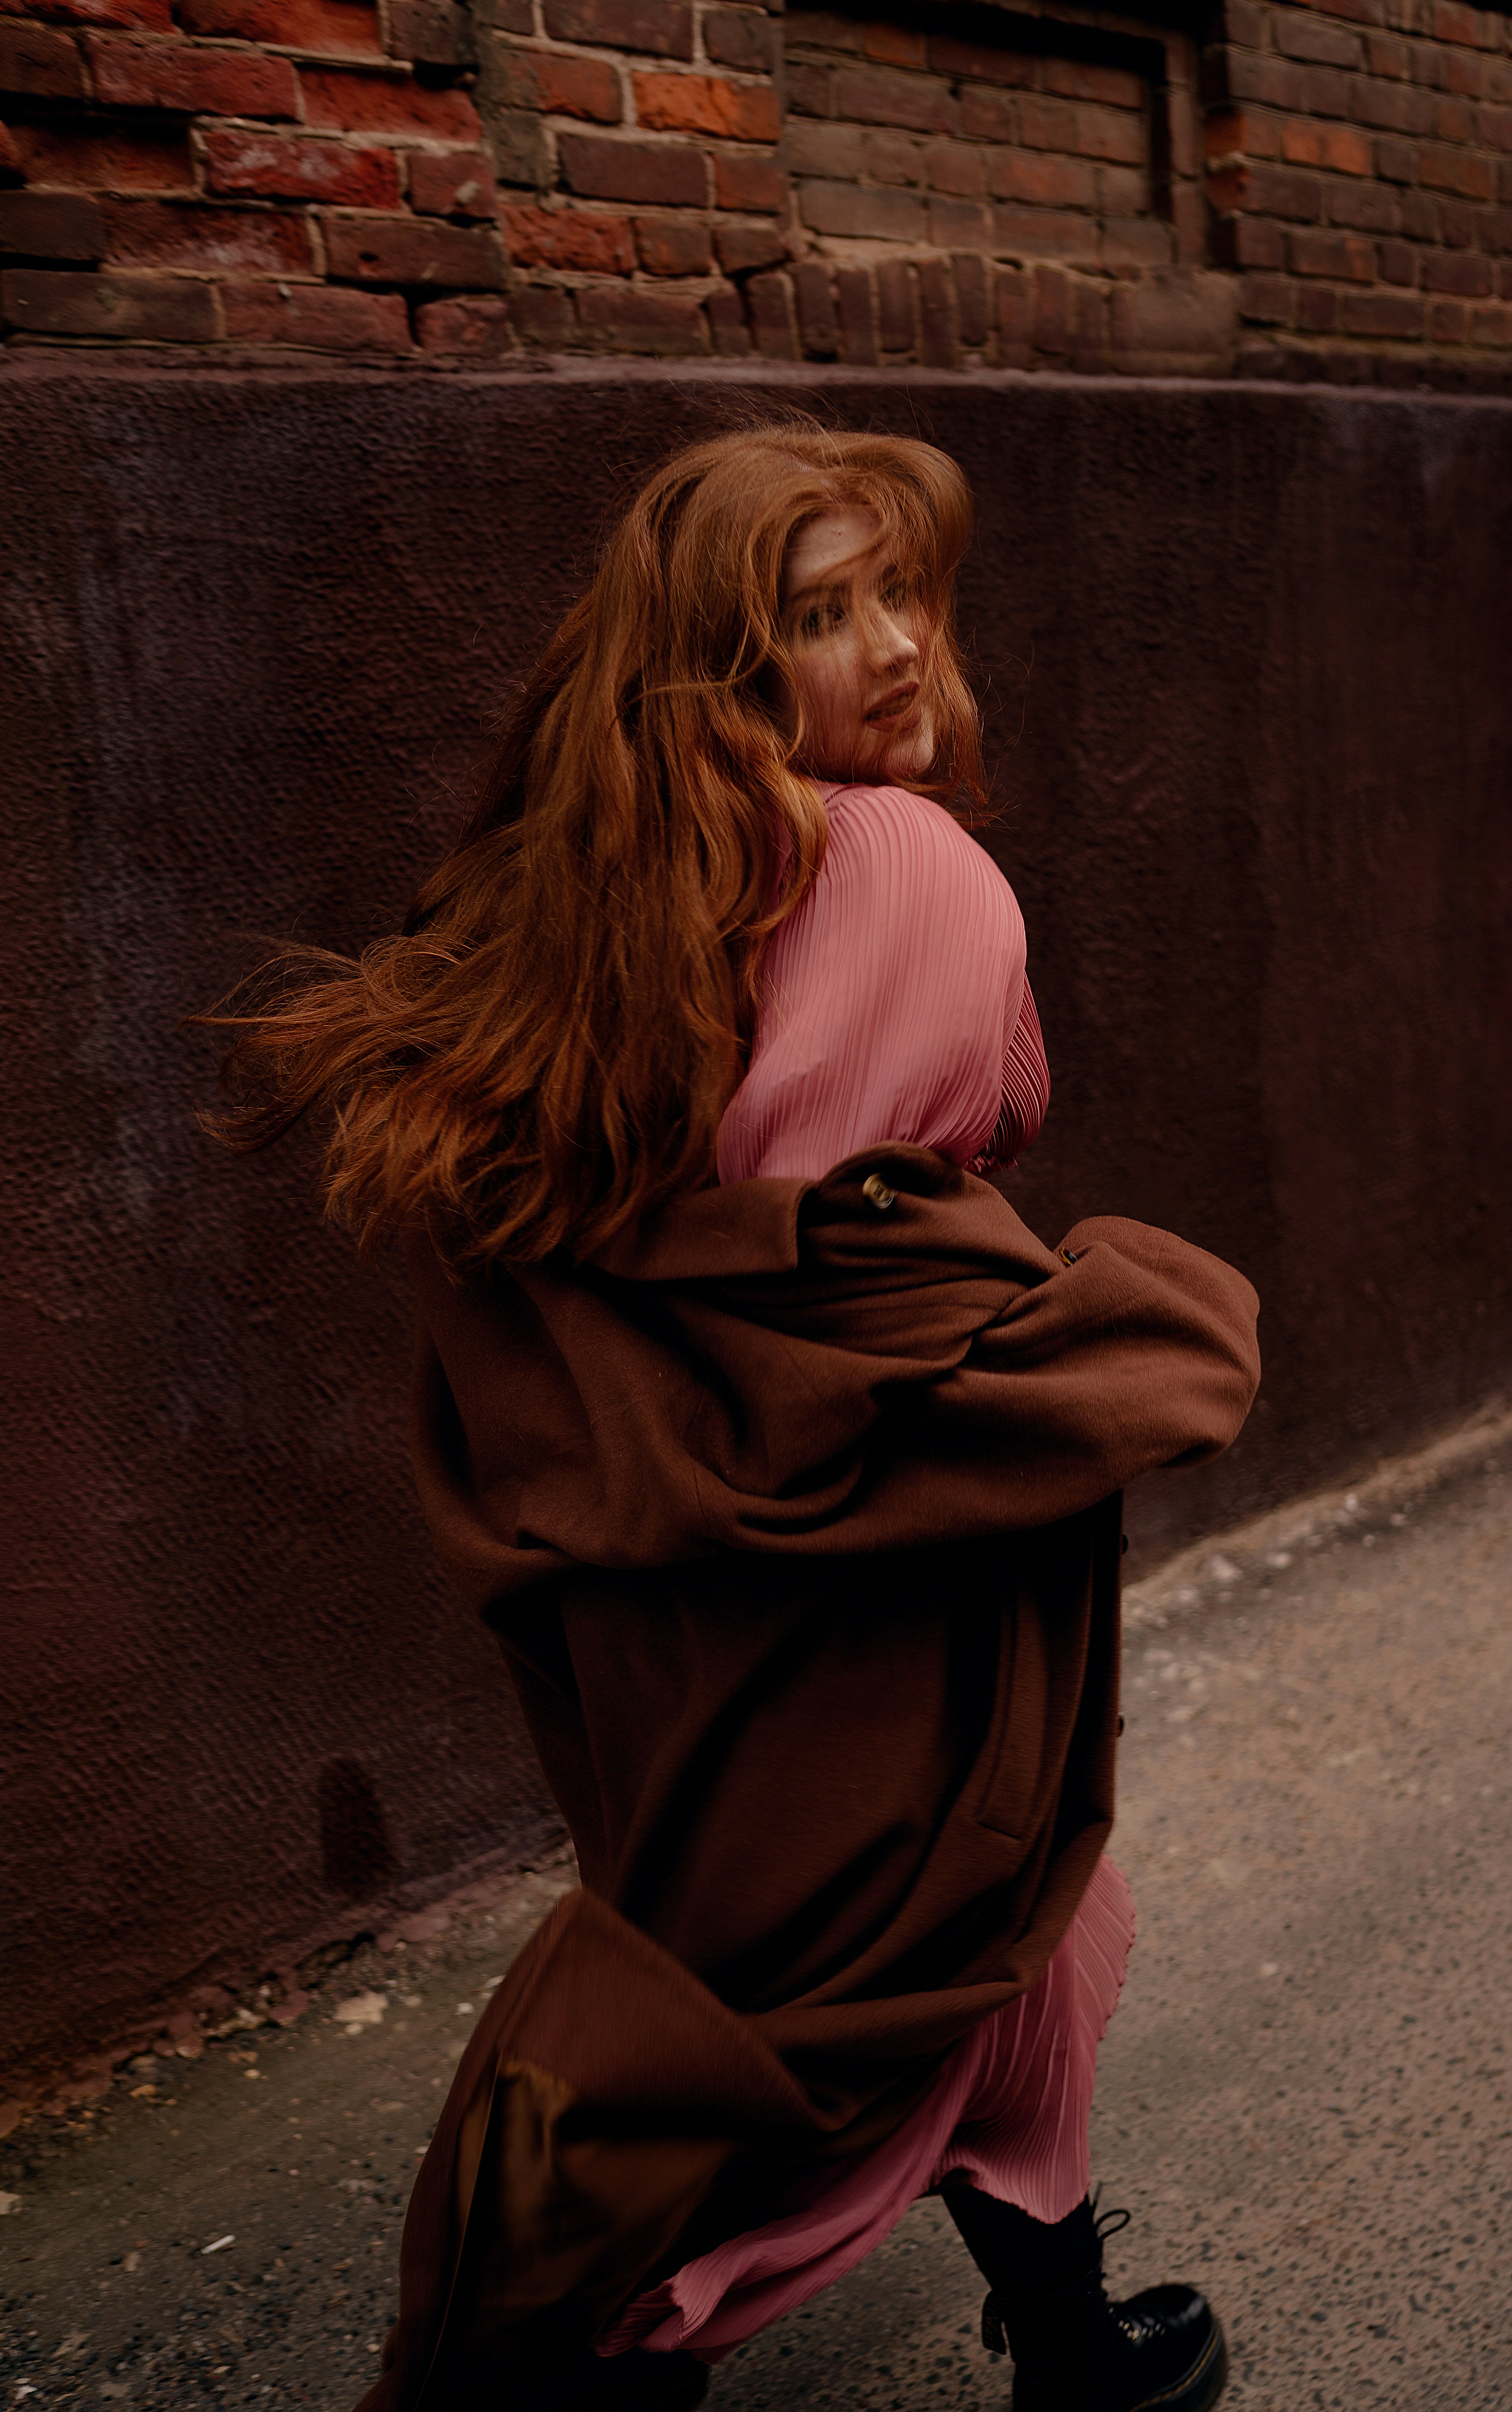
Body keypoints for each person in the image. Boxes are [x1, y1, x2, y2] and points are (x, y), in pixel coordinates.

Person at [205, 422, 1260, 2412]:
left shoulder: (608, 879)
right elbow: (975, 1120)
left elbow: (604, 1197)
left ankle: (1056, 2342)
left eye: (901, 600)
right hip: (853, 1512)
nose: (889, 650)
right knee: (857, 1960)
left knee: (924, 1919)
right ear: (716, 663)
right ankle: (603, 2346)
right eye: (818, 614)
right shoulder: (900, 859)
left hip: (651, 1531)